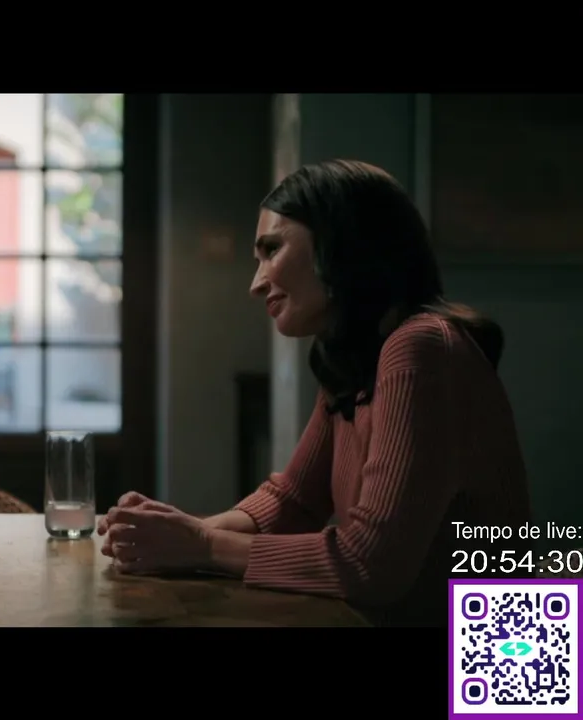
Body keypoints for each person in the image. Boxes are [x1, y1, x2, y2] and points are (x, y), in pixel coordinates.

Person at [97, 159, 532, 627]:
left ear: (341, 242)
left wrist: (200, 545)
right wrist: (176, 531)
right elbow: (296, 500)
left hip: (494, 652)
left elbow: (370, 564)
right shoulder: (355, 357)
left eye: (272, 249)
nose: (256, 284)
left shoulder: (421, 347)